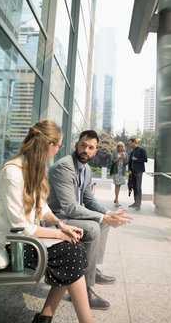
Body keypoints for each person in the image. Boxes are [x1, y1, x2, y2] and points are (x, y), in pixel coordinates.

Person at [0, 119, 93, 323]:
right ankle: (71, 319)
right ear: (49, 144)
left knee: (74, 245)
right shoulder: (13, 172)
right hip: (8, 243)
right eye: (59, 145)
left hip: (22, 238)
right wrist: (59, 234)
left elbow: (41, 206)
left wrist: (61, 224)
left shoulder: (31, 167)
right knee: (71, 250)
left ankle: (45, 317)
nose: (58, 150)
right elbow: (22, 227)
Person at [48, 130, 132, 310]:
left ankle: (91, 270)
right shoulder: (64, 167)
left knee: (103, 223)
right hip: (56, 218)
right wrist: (104, 217)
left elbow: (88, 200)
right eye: (83, 145)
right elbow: (70, 207)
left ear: (95, 151)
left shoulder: (85, 169)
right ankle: (84, 288)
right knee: (94, 227)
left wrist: (109, 214)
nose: (86, 150)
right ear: (77, 145)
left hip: (70, 216)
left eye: (91, 147)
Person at [128, 138, 147, 210]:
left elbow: (145, 159)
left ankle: (138, 204)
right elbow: (130, 162)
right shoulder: (132, 152)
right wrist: (129, 170)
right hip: (132, 172)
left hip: (139, 172)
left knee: (138, 188)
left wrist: (137, 159)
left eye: (130, 143)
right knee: (134, 187)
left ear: (134, 142)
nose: (129, 145)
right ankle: (135, 202)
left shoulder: (141, 150)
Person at [111, 142, 128, 207]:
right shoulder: (114, 153)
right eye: (120, 146)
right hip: (116, 171)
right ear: (118, 147)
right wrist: (118, 159)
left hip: (122, 172)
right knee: (117, 185)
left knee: (119, 185)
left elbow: (126, 163)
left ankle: (116, 198)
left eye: (123, 146)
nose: (122, 147)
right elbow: (112, 161)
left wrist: (124, 160)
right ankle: (117, 200)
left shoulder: (125, 154)